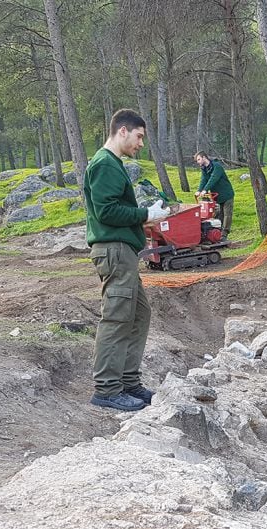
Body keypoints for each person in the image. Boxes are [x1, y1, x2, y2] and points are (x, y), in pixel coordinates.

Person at [84, 109, 170, 412]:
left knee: (138, 314)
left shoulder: (113, 165)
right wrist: (146, 215)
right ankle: (107, 389)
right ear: (123, 131)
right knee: (118, 316)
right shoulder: (105, 164)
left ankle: (129, 383)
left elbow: (113, 210)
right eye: (139, 136)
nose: (141, 143)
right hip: (114, 250)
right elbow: (106, 212)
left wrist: (143, 217)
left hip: (124, 250)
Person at [193, 152, 235, 238]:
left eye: (199, 159)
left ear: (204, 157)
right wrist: (199, 190)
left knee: (227, 214)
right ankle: (216, 232)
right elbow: (203, 180)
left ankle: (224, 234)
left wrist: (205, 189)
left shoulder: (217, 166)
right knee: (218, 214)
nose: (198, 162)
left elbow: (214, 178)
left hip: (226, 194)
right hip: (217, 196)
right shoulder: (204, 169)